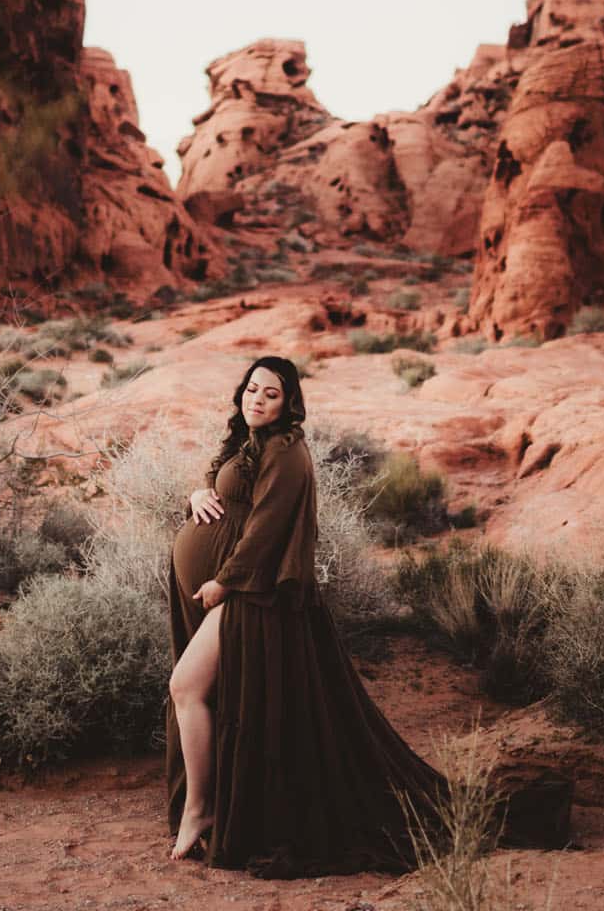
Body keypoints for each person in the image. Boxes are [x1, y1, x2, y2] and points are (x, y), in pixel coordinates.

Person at [163, 355, 448, 876]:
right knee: (204, 694)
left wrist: (223, 581)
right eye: (252, 389)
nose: (258, 400)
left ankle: (200, 810)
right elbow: (220, 481)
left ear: (289, 402)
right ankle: (211, 806)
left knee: (187, 687)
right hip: (235, 594)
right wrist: (197, 491)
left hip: (255, 596)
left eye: (271, 394)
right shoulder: (247, 442)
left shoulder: (287, 452)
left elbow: (267, 529)